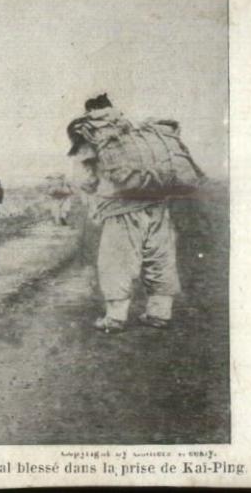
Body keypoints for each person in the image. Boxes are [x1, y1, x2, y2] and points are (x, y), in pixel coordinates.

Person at [69, 96, 181, 333]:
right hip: (157, 203)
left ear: (90, 111)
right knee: (159, 258)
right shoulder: (135, 130)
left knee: (117, 262)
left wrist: (92, 191)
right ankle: (160, 313)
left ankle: (116, 318)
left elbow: (87, 178)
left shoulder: (92, 133)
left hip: (121, 207)